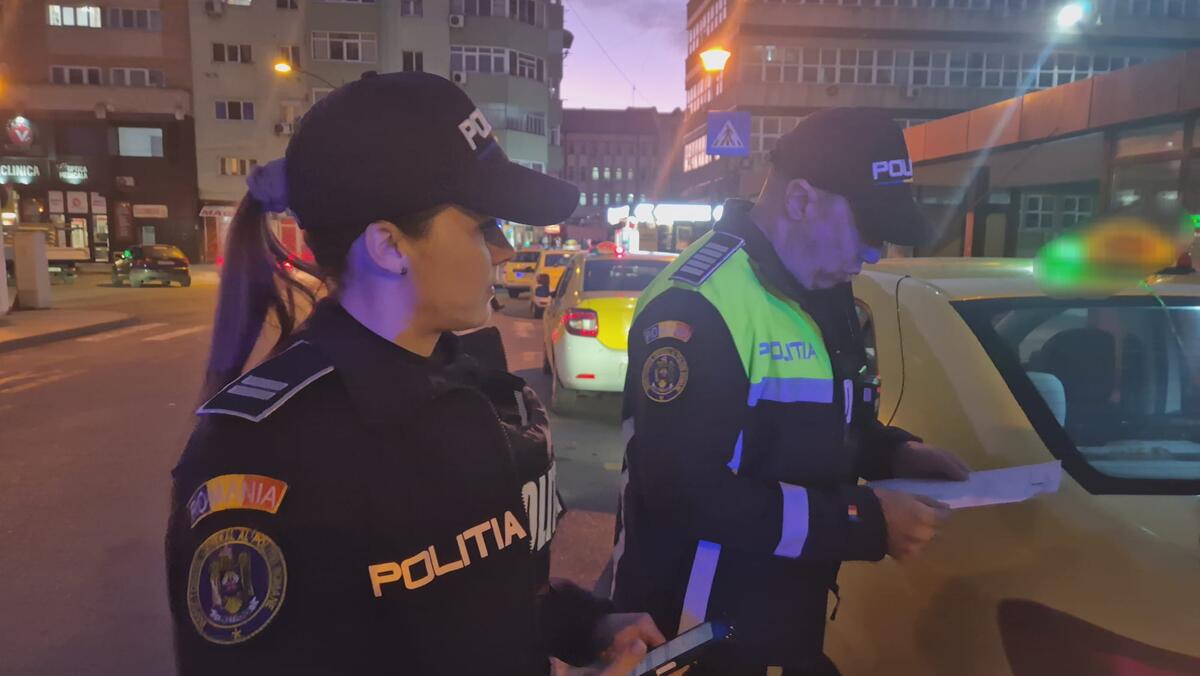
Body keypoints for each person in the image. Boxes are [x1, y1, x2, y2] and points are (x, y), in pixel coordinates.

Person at [164, 72, 663, 675]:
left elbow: (484, 595)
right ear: (389, 246)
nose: (504, 250)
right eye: (482, 224)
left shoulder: (479, 387)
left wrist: (587, 626)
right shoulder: (264, 452)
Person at [609, 108, 970, 675]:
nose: (876, 253)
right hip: (692, 642)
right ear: (801, 199)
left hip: (780, 625)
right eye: (868, 229)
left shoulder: (823, 291)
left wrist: (894, 453)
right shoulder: (698, 303)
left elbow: (823, 425)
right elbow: (685, 492)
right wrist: (863, 520)